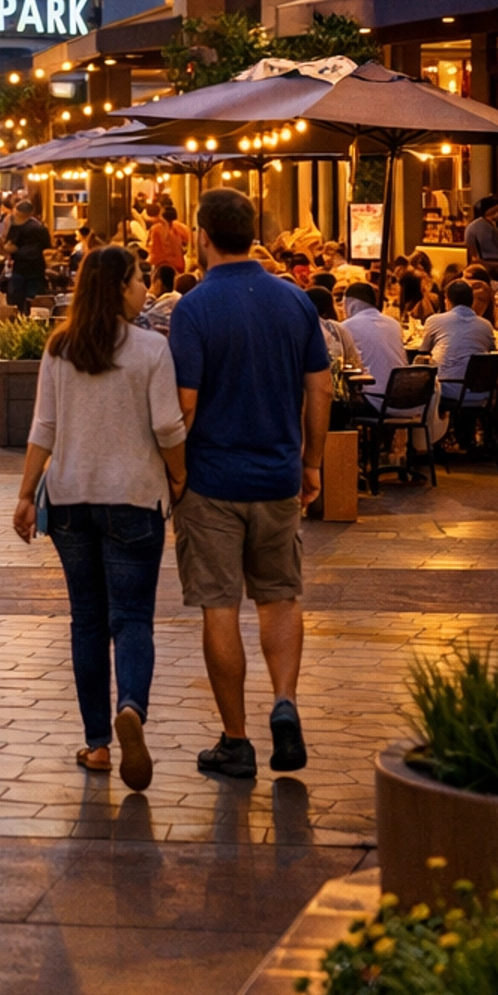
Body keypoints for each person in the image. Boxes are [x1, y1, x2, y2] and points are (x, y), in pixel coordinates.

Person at [168, 186, 331, 781]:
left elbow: (185, 403)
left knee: (219, 606)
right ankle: (284, 701)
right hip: (278, 475)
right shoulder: (295, 301)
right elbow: (320, 387)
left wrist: (176, 473)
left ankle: (236, 739)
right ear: (252, 232)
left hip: (211, 480)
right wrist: (312, 462)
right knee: (280, 596)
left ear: (202, 236)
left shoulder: (194, 307)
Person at [13, 245, 187, 790]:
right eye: (138, 280)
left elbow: (43, 426)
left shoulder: (60, 347)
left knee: (87, 620)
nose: (143, 289)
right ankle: (131, 706)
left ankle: (97, 744)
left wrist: (25, 495)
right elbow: (168, 428)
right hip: (134, 498)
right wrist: (179, 476)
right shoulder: (151, 348)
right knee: (131, 616)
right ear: (118, 288)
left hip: (69, 501)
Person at [417, 278, 498, 436]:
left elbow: (423, 350)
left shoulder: (434, 321)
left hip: (448, 390)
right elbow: (491, 351)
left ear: (447, 300)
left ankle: (430, 439)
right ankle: (470, 438)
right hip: (481, 393)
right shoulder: (486, 325)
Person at [338, 282, 406, 409]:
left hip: (374, 400)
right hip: (405, 399)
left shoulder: (346, 327)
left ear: (351, 304)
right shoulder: (394, 324)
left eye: (343, 305)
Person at [4, 198, 52, 309]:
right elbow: (47, 246)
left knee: (17, 300)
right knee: (34, 300)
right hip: (36, 267)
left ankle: (20, 316)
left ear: (19, 212)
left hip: (20, 268)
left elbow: (9, 246)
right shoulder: (40, 228)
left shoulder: (16, 227)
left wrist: (10, 249)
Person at [463, 195, 498, 280]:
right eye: (495, 211)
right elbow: (474, 255)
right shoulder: (474, 228)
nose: (497, 214)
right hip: (488, 266)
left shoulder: (496, 228)